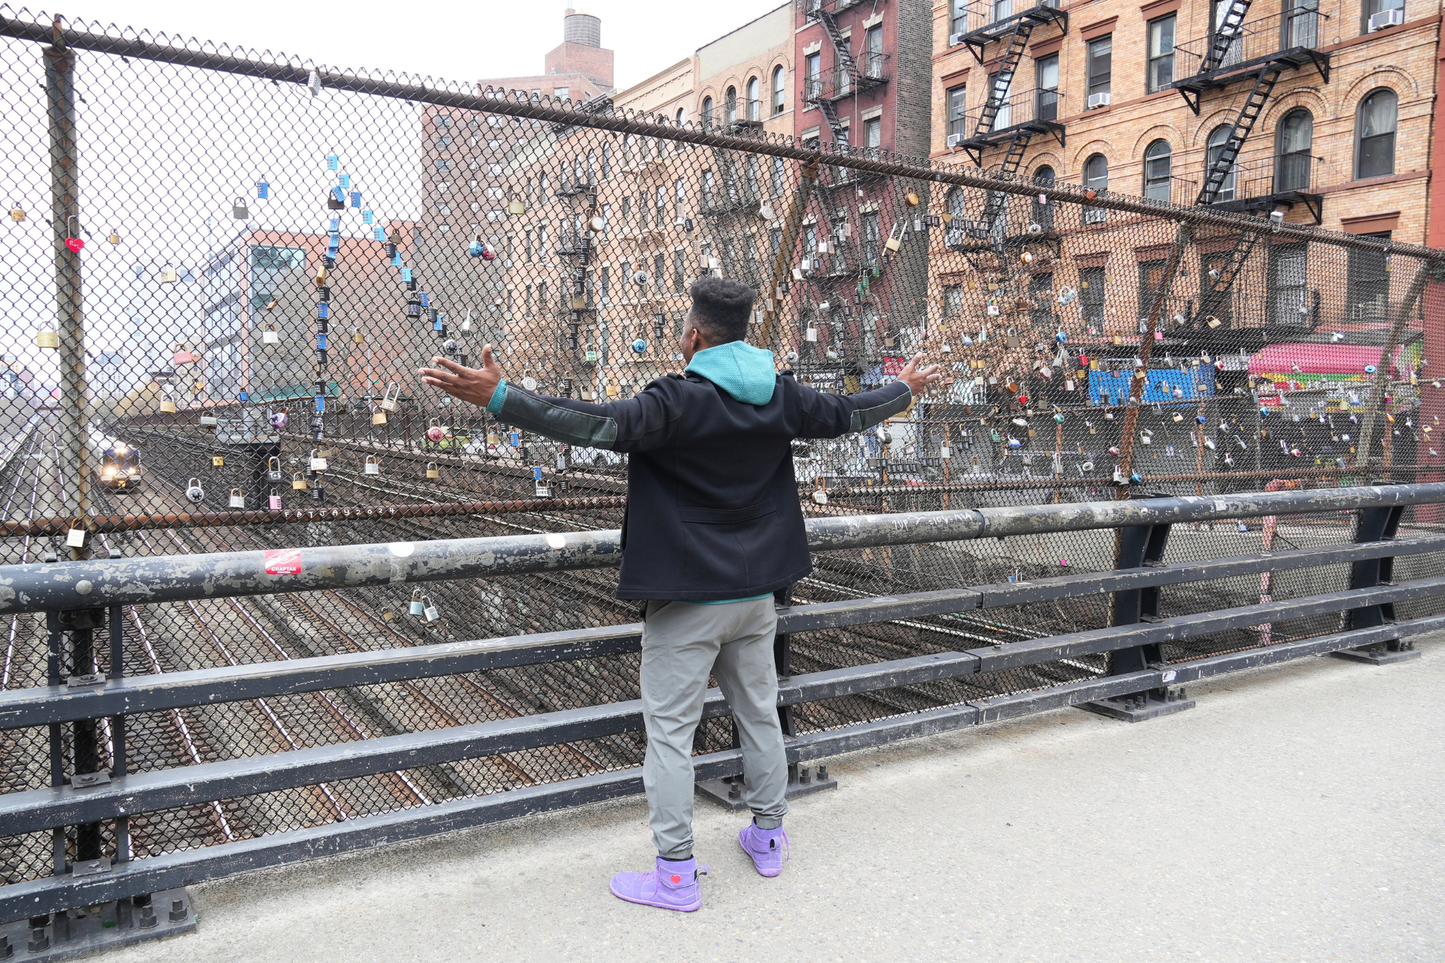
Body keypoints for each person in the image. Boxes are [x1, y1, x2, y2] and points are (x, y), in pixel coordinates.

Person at [420, 276, 941, 912]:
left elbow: (592, 425)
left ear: (693, 337)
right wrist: (905, 390)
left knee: (670, 734)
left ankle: (674, 875)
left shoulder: (673, 401)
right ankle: (768, 838)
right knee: (759, 713)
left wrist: (500, 395)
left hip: (687, 599)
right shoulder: (780, 395)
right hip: (755, 597)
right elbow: (846, 413)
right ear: (744, 335)